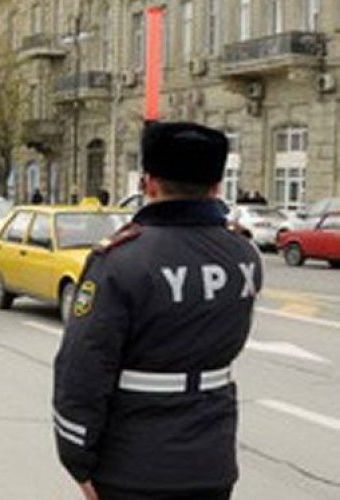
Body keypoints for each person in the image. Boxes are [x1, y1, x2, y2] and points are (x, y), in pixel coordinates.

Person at [53, 122, 263, 500]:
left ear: (149, 184)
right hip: (212, 461)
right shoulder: (243, 255)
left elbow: (83, 367)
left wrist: (76, 457)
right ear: (217, 187)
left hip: (133, 467)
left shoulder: (121, 260)